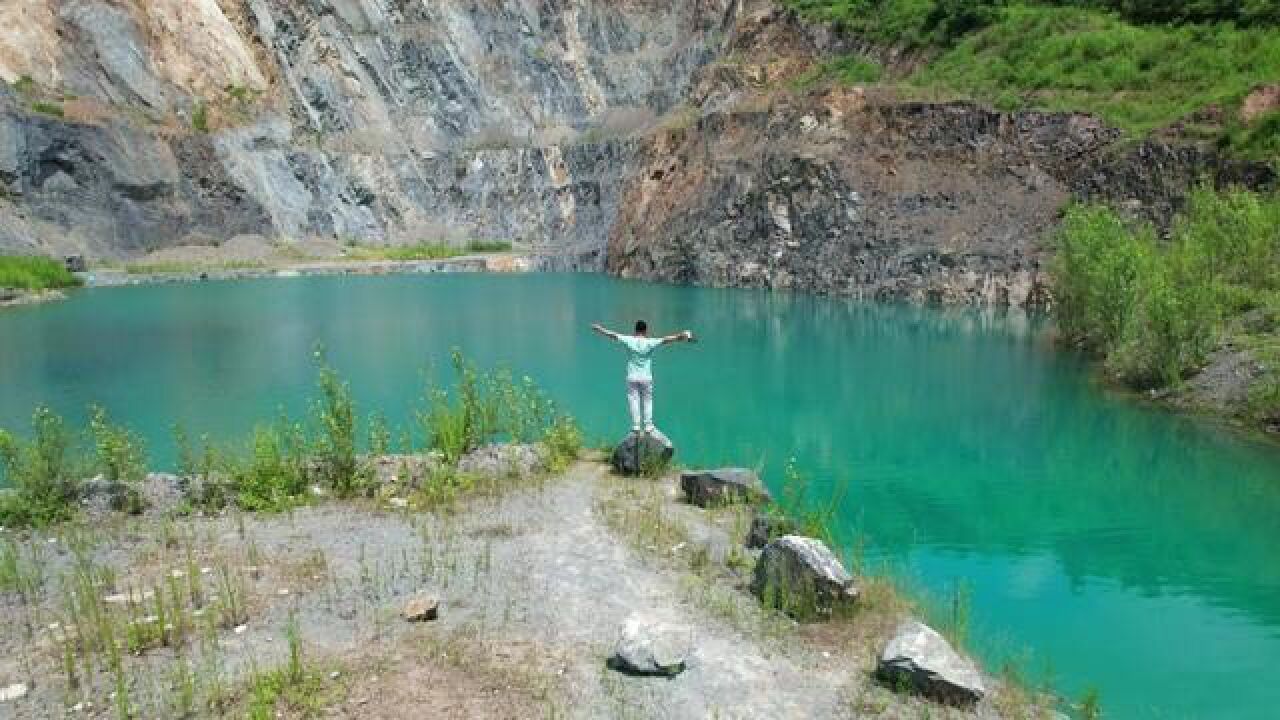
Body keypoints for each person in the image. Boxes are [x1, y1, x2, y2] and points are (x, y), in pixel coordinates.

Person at [591, 320, 695, 436]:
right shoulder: (650, 342)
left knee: (633, 400)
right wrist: (682, 335)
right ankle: (648, 426)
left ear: (635, 330)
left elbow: (613, 335)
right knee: (647, 401)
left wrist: (600, 330)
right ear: (645, 331)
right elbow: (667, 339)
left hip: (632, 377)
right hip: (646, 377)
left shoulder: (629, 340)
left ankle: (636, 426)